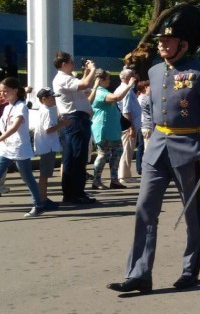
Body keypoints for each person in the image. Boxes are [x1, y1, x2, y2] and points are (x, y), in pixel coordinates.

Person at [107, 4, 200, 294]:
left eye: (168, 40)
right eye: (160, 39)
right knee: (144, 209)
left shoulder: (199, 73)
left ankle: (189, 270)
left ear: (183, 44)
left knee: (192, 213)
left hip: (189, 147)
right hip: (157, 148)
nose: (161, 43)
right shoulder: (155, 70)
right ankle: (139, 274)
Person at [52, 51, 98, 205]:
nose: (73, 64)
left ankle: (72, 194)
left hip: (75, 119)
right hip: (75, 119)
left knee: (72, 158)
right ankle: (76, 194)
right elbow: (84, 85)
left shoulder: (67, 78)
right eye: (71, 62)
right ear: (64, 64)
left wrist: (86, 72)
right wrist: (92, 70)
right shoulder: (62, 79)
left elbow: (84, 87)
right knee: (78, 158)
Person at [0, 77, 48, 217]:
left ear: (15, 91)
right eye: (1, 91)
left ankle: (39, 205)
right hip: (6, 149)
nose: (2, 94)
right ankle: (39, 204)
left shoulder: (21, 106)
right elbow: (5, 127)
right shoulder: (8, 107)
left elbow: (15, 127)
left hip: (19, 148)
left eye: (5, 91)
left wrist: (1, 138)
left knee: (28, 178)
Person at [89, 69, 135, 190]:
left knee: (117, 153)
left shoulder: (103, 91)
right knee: (103, 154)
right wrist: (129, 85)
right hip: (103, 129)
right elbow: (116, 98)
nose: (110, 80)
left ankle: (114, 180)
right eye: (108, 78)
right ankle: (96, 180)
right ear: (101, 80)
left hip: (113, 129)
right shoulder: (99, 92)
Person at [33, 87, 66, 210]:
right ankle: (42, 199)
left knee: (45, 175)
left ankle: (43, 198)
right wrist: (62, 124)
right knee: (44, 175)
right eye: (51, 97)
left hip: (45, 145)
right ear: (44, 99)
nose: (54, 99)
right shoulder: (47, 111)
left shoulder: (44, 109)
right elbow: (48, 129)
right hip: (47, 146)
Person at [117, 68, 142, 183]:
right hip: (128, 125)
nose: (135, 77)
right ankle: (123, 175)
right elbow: (126, 110)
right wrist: (130, 126)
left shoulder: (128, 89)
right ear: (127, 78)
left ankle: (126, 174)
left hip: (130, 124)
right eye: (132, 75)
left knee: (129, 150)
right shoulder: (126, 90)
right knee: (127, 150)